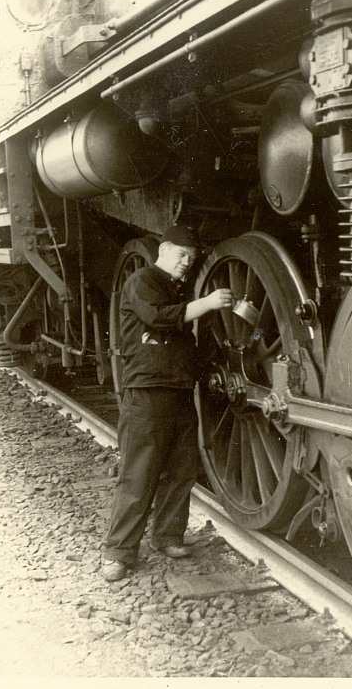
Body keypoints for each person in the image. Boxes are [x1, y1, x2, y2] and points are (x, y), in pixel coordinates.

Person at [102, 224, 233, 581]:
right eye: (181, 255)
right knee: (139, 472)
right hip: (147, 390)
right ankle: (118, 551)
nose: (186, 263)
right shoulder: (143, 281)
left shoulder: (179, 289)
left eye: (191, 258)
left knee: (181, 468)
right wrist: (205, 303)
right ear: (164, 251)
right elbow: (158, 318)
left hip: (178, 389)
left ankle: (167, 536)